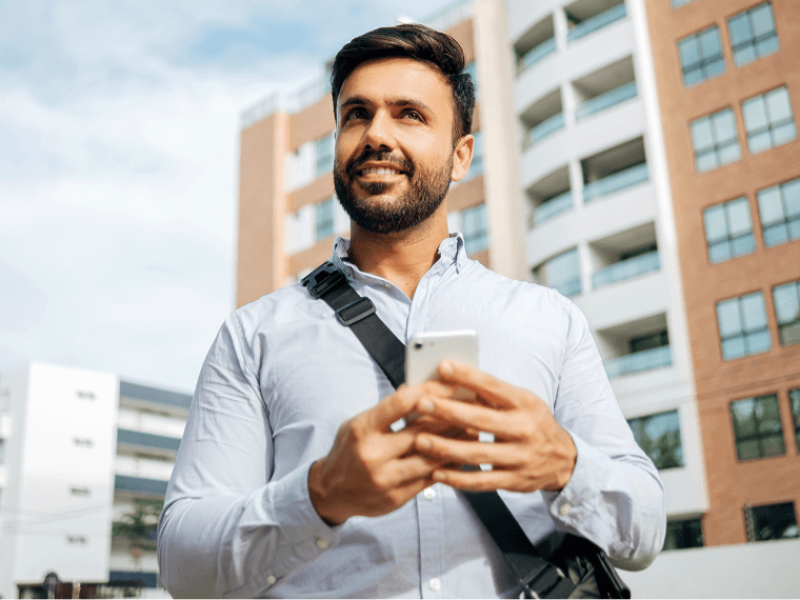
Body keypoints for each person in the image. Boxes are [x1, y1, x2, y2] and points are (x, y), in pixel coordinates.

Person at [157, 23, 665, 599]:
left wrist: (566, 466)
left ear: (459, 156)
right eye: (356, 114)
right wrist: (319, 494)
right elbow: (182, 567)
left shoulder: (548, 320)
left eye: (410, 114)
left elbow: (644, 529)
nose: (376, 133)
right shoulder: (253, 336)